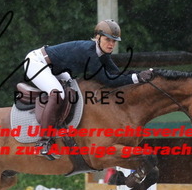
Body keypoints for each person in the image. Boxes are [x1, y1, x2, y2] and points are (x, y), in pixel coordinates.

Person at [24, 19, 154, 157]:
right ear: (98, 37)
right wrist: (136, 78)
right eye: (107, 39)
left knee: (73, 90)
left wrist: (139, 74)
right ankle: (43, 142)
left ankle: (63, 130)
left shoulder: (102, 54)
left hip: (53, 67)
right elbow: (108, 80)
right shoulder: (89, 52)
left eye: (114, 41)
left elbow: (116, 73)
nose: (111, 44)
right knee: (58, 94)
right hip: (37, 63)